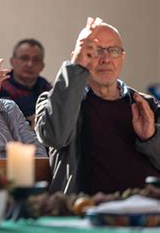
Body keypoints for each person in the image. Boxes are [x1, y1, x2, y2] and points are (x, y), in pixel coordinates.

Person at [35, 17, 160, 195]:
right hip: (89, 212)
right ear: (76, 59)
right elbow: (55, 137)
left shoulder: (146, 104)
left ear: (122, 57)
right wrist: (75, 69)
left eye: (113, 51)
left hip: (147, 212)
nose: (106, 59)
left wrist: (151, 137)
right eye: (96, 51)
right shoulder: (54, 101)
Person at [0, 39, 51, 126]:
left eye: (36, 60)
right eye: (24, 58)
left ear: (42, 66)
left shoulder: (47, 89)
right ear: (12, 62)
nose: (30, 64)